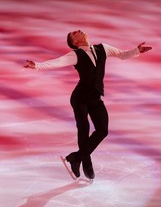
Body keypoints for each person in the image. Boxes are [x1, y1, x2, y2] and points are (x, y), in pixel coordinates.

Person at [24, 30, 152, 180]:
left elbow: (122, 54)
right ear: (76, 43)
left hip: (95, 97)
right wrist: (37, 65)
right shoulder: (75, 54)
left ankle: (76, 158)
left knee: (103, 130)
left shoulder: (103, 48)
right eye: (74, 34)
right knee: (83, 128)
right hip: (80, 98)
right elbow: (57, 62)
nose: (78, 31)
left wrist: (137, 51)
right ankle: (86, 163)